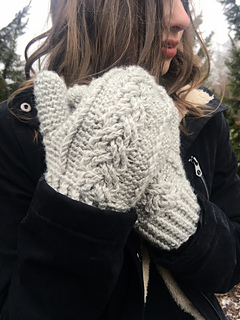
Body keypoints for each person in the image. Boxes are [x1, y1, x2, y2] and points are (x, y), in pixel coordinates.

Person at [0, 0, 239, 319]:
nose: (182, 18)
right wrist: (85, 203)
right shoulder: (14, 131)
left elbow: (231, 265)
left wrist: (176, 214)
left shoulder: (202, 116)